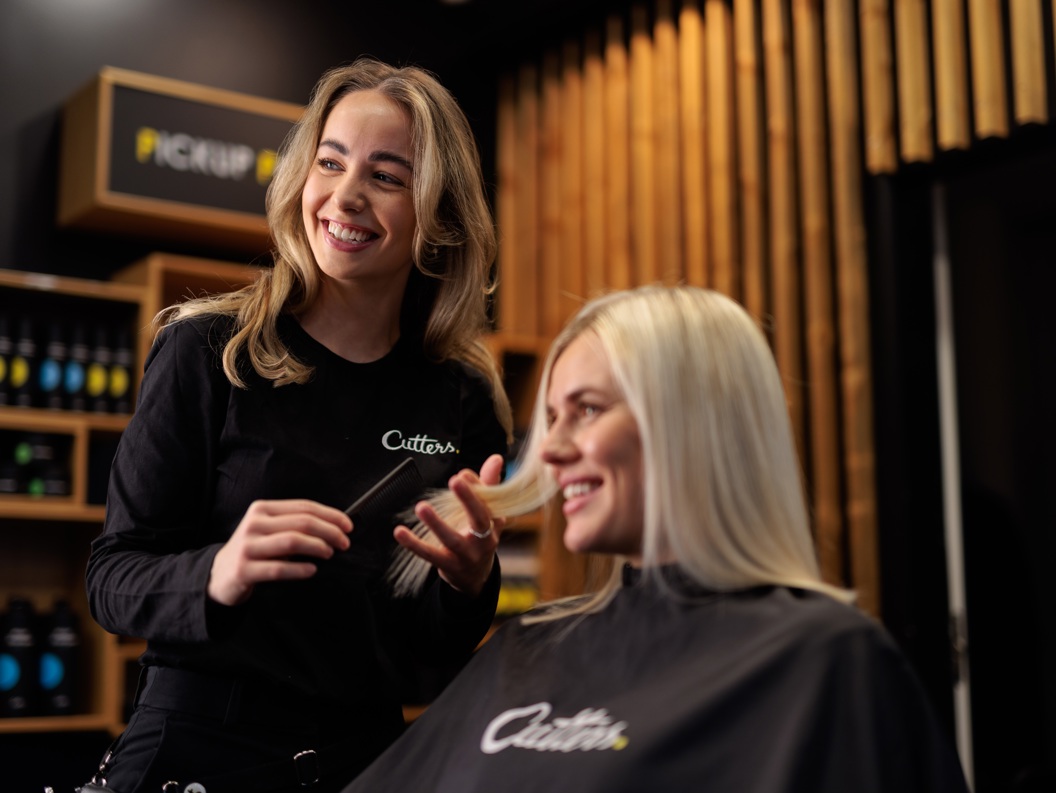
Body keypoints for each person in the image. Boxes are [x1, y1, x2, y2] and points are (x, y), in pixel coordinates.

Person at [344, 284, 972, 793]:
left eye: (586, 410)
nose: (552, 452)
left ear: (689, 420)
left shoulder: (824, 659)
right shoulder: (527, 648)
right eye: (552, 419)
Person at [83, 57, 512, 793]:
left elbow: (430, 648)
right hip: (194, 743)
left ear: (438, 214)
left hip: (368, 756)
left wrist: (470, 584)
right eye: (331, 163)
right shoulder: (205, 350)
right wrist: (217, 571)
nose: (344, 198)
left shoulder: (463, 397)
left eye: (385, 176)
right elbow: (111, 579)